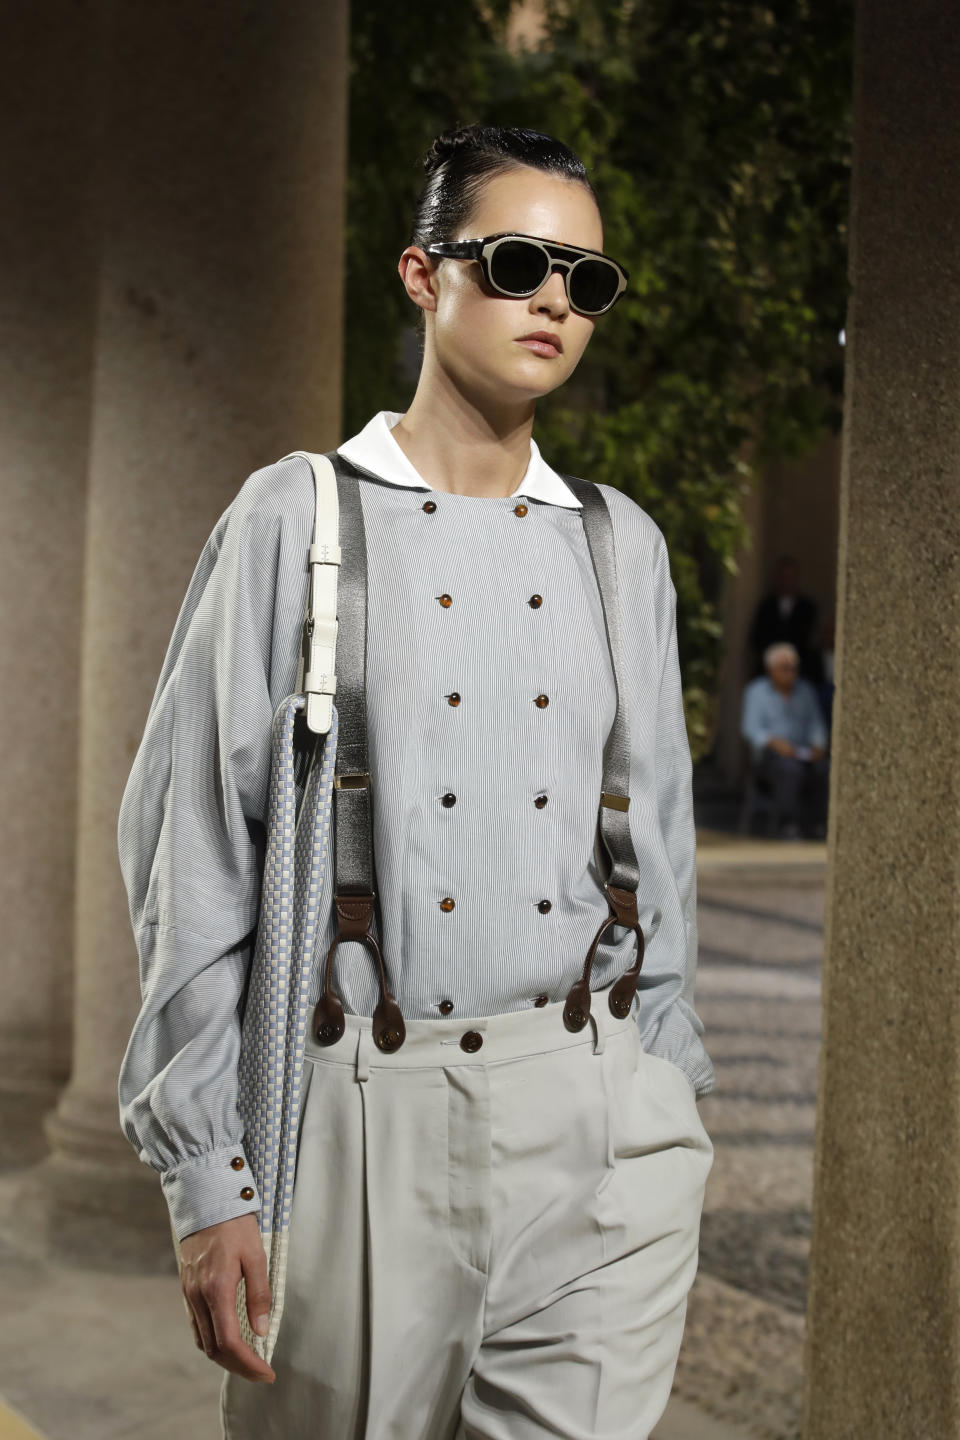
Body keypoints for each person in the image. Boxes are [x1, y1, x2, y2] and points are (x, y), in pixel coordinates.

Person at [117, 122, 716, 1440]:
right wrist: (207, 1176)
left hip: (598, 1121)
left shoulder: (624, 547)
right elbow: (193, 856)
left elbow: (656, 845)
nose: (556, 297)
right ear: (420, 273)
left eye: (587, 278)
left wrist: (666, 1089)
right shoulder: (298, 518)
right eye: (516, 261)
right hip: (371, 1126)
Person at [741, 641, 830, 839]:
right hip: (770, 755)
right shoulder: (756, 692)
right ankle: (787, 823)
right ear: (771, 669)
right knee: (789, 770)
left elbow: (816, 724)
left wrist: (818, 744)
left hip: (802, 752)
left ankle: (818, 823)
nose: (790, 672)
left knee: (824, 768)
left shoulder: (805, 691)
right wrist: (774, 742)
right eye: (784, 668)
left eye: (793, 668)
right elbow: (751, 729)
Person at [748, 554, 823, 685]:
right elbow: (757, 638)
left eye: (790, 577)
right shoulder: (767, 606)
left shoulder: (807, 607)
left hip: (800, 671)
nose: (787, 581)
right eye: (783, 577)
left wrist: (791, 663)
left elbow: (811, 638)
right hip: (769, 672)